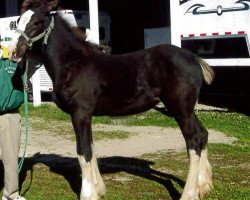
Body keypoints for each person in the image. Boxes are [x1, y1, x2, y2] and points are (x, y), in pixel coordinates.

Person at [0, 45, 26, 200]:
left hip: (9, 116)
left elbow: (38, 61)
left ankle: (10, 194)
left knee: (10, 157)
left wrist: (19, 55)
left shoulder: (15, 59)